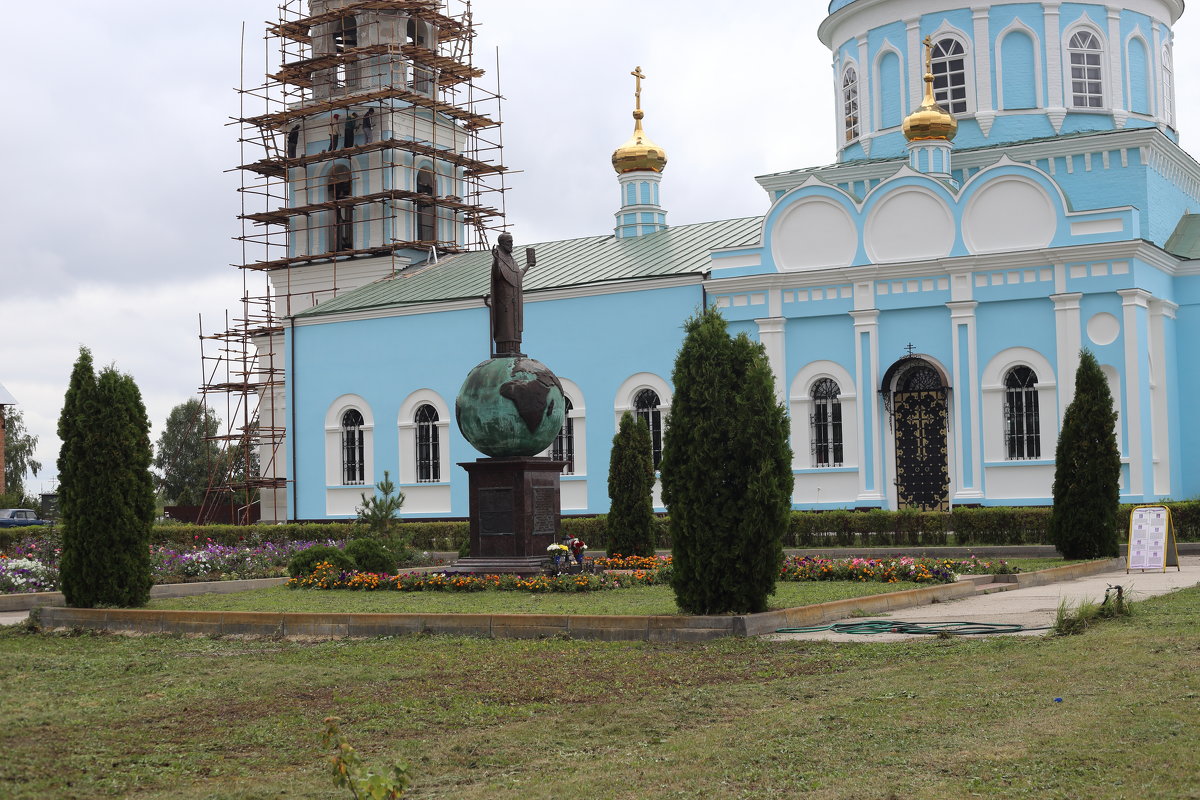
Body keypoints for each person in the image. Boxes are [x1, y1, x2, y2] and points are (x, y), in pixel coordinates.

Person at [488, 233, 535, 356]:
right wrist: (496, 260)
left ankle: (515, 349)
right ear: (502, 244)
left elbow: (517, 276)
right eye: (509, 242)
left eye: (512, 242)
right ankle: (505, 350)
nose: (511, 244)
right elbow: (497, 275)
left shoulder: (512, 261)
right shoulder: (499, 259)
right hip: (504, 302)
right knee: (507, 327)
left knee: (515, 327)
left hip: (514, 302)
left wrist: (528, 265)